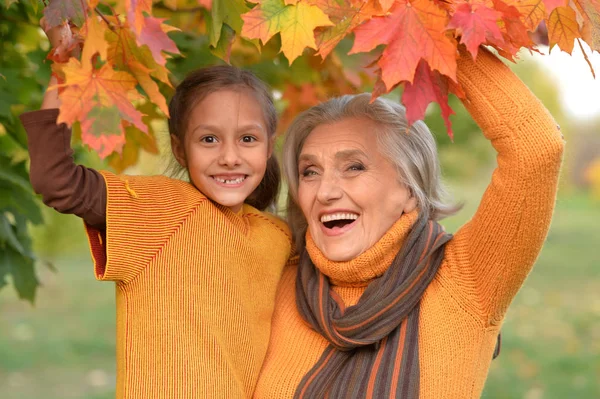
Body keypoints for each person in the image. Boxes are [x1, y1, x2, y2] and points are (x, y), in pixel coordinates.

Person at [254, 46, 565, 398]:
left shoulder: (465, 281)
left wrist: (432, 33)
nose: (325, 191)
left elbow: (535, 150)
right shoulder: (276, 278)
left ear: (410, 190)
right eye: (310, 172)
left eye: (354, 167)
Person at [20, 25, 292, 398]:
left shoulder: (280, 238)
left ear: (268, 145)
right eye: (209, 139)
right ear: (181, 151)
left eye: (247, 139)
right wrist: (64, 68)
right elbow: (56, 181)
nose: (230, 157)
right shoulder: (162, 209)